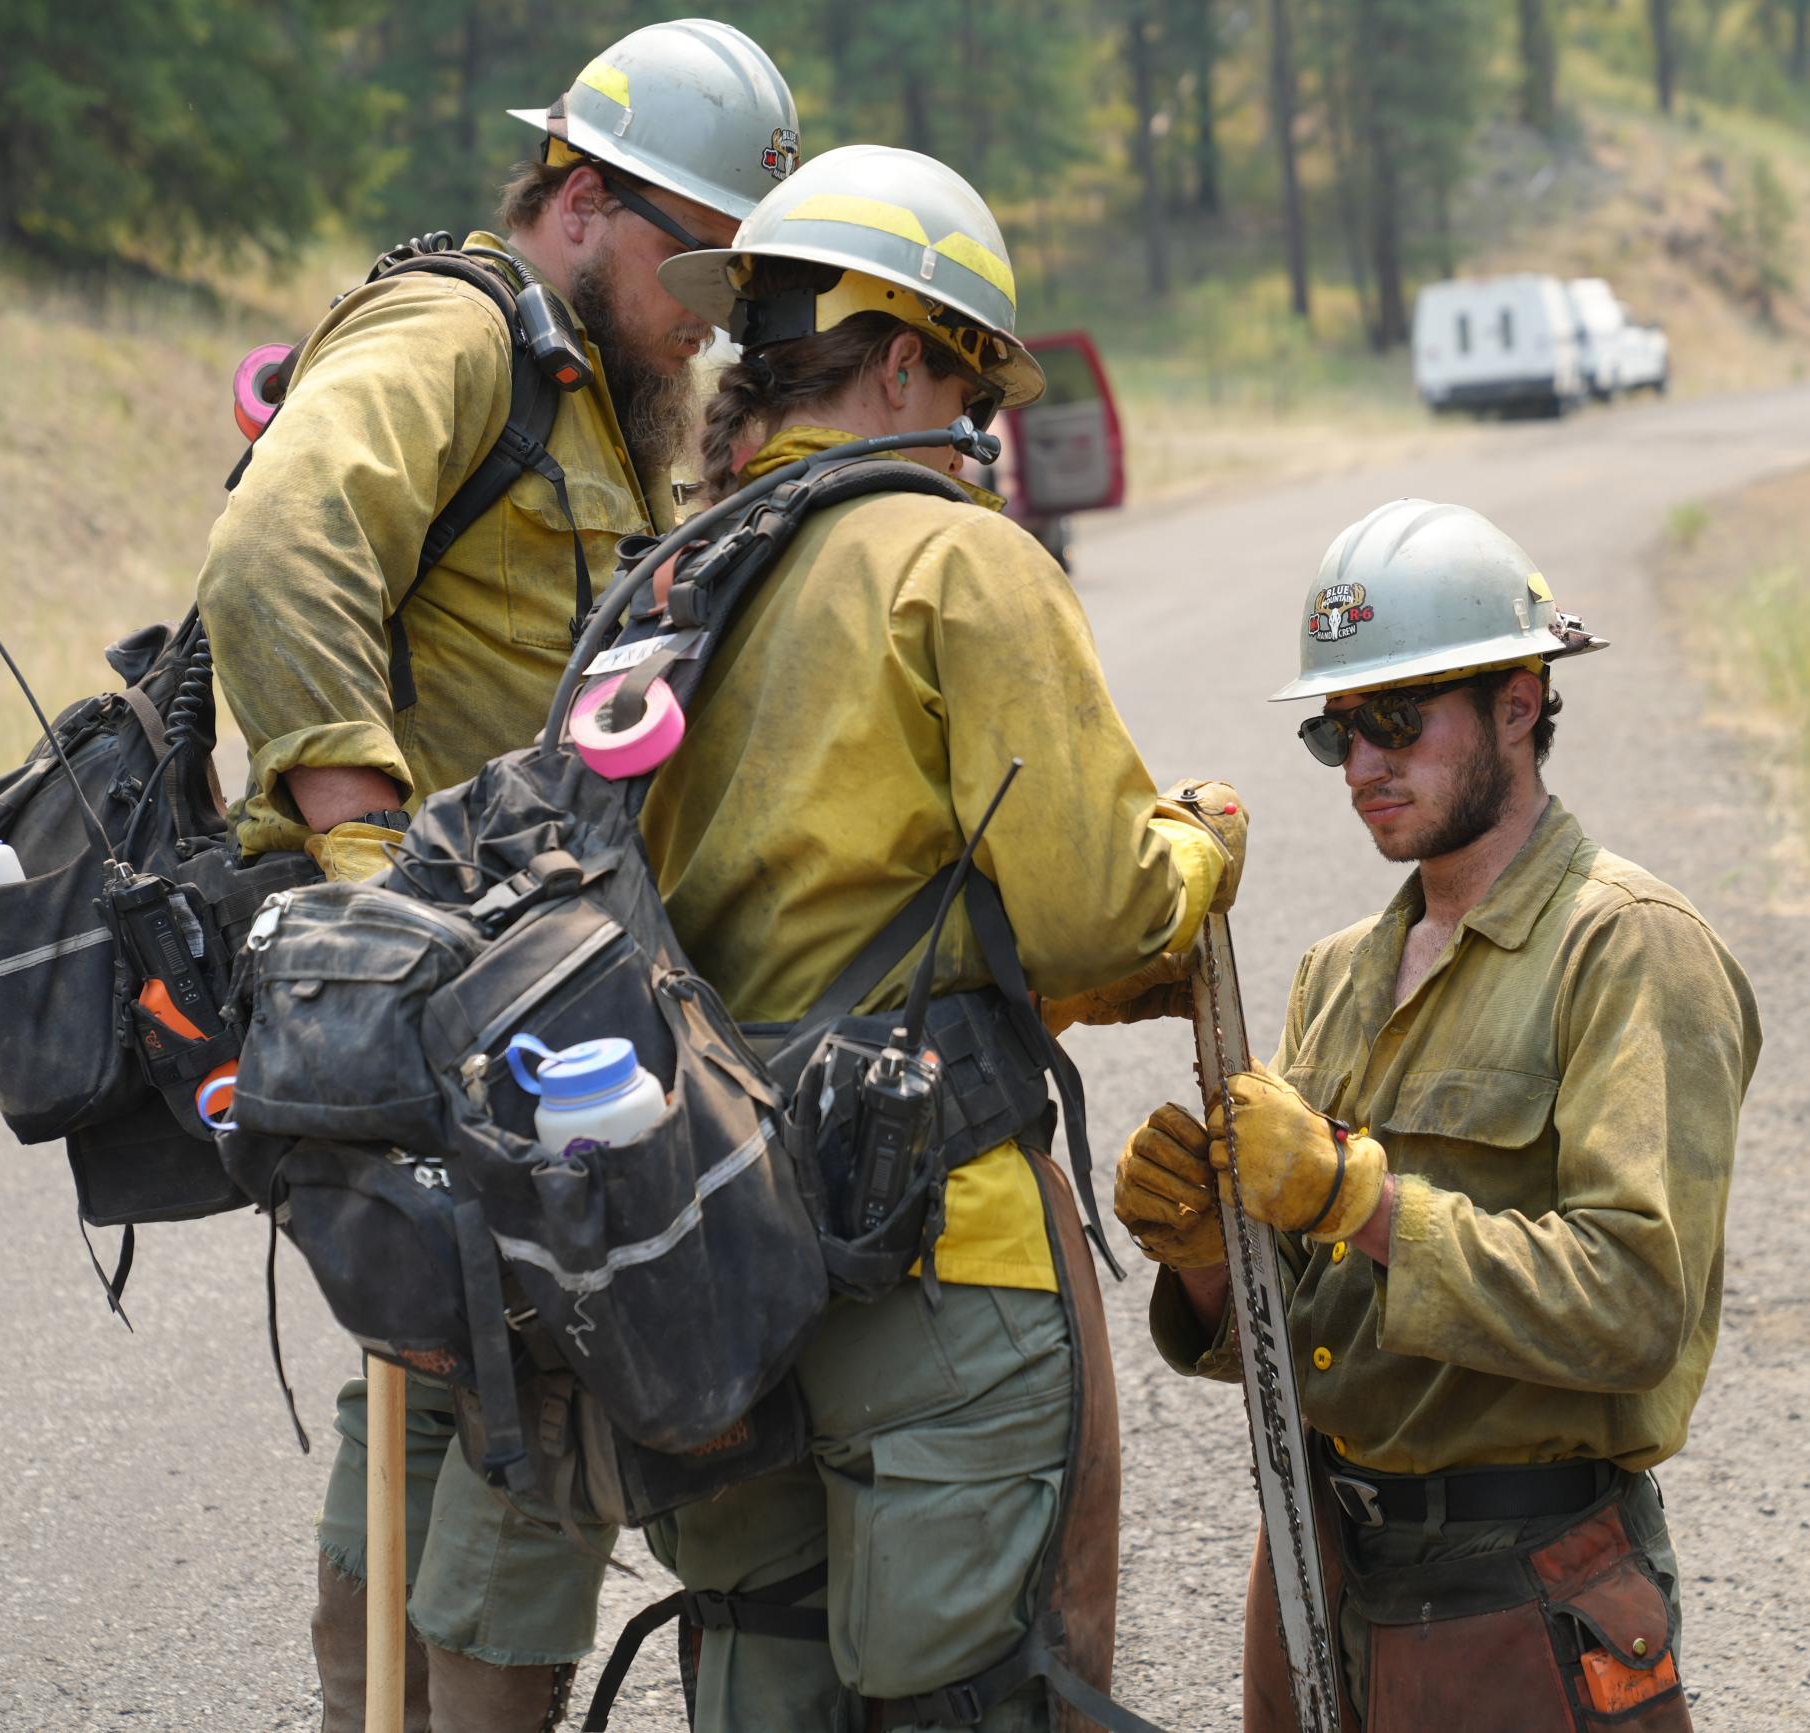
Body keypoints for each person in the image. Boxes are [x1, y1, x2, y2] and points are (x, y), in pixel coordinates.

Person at [193, 20, 798, 1728]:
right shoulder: (459, 331)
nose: (713, 304)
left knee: (445, 1375)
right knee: (546, 1407)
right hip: (448, 996)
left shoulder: (591, 382)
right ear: (586, 197)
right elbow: (280, 539)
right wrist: (368, 860)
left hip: (508, 1000)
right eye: (697, 258)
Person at [628, 142, 1245, 1730]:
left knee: (760, 1676)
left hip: (716, 1254)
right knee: (977, 1698)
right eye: (969, 386)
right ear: (901, 354)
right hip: (936, 1247)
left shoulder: (668, 580)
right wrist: (1201, 849)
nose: (982, 433)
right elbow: (1099, 906)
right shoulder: (958, 558)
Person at [1113, 501, 1760, 1732]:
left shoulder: (1625, 951)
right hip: (1321, 1577)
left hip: (1519, 1597)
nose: (1361, 767)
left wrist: (1353, 1198)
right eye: (1336, 732)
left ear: (1518, 703)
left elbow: (1631, 1305)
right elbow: (1298, 1337)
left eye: (1396, 720)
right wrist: (1207, 1258)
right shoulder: (1336, 973)